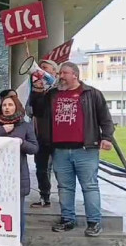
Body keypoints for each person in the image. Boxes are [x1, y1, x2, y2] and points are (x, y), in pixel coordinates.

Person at [30, 62, 114, 237]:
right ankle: (67, 219)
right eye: (60, 73)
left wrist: (106, 137)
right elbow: (37, 111)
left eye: (64, 73)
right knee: (65, 187)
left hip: (86, 150)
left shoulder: (91, 94)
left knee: (89, 186)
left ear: (75, 74)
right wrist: (37, 92)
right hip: (60, 150)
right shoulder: (52, 94)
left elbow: (105, 118)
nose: (60, 76)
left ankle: (93, 222)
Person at [0, 91, 38, 246]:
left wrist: (22, 143)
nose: (7, 108)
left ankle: (16, 242)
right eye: (4, 105)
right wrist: (1, 130)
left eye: (10, 105)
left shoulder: (25, 126)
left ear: (16, 107)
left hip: (17, 175)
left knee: (17, 210)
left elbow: (35, 148)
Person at [30, 59, 59, 208]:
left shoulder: (60, 90)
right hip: (41, 136)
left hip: (59, 138)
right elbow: (36, 111)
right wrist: (38, 93)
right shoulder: (36, 90)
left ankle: (65, 198)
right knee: (41, 169)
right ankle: (44, 197)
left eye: (45, 68)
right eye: (40, 68)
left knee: (60, 170)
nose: (41, 71)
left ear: (54, 72)